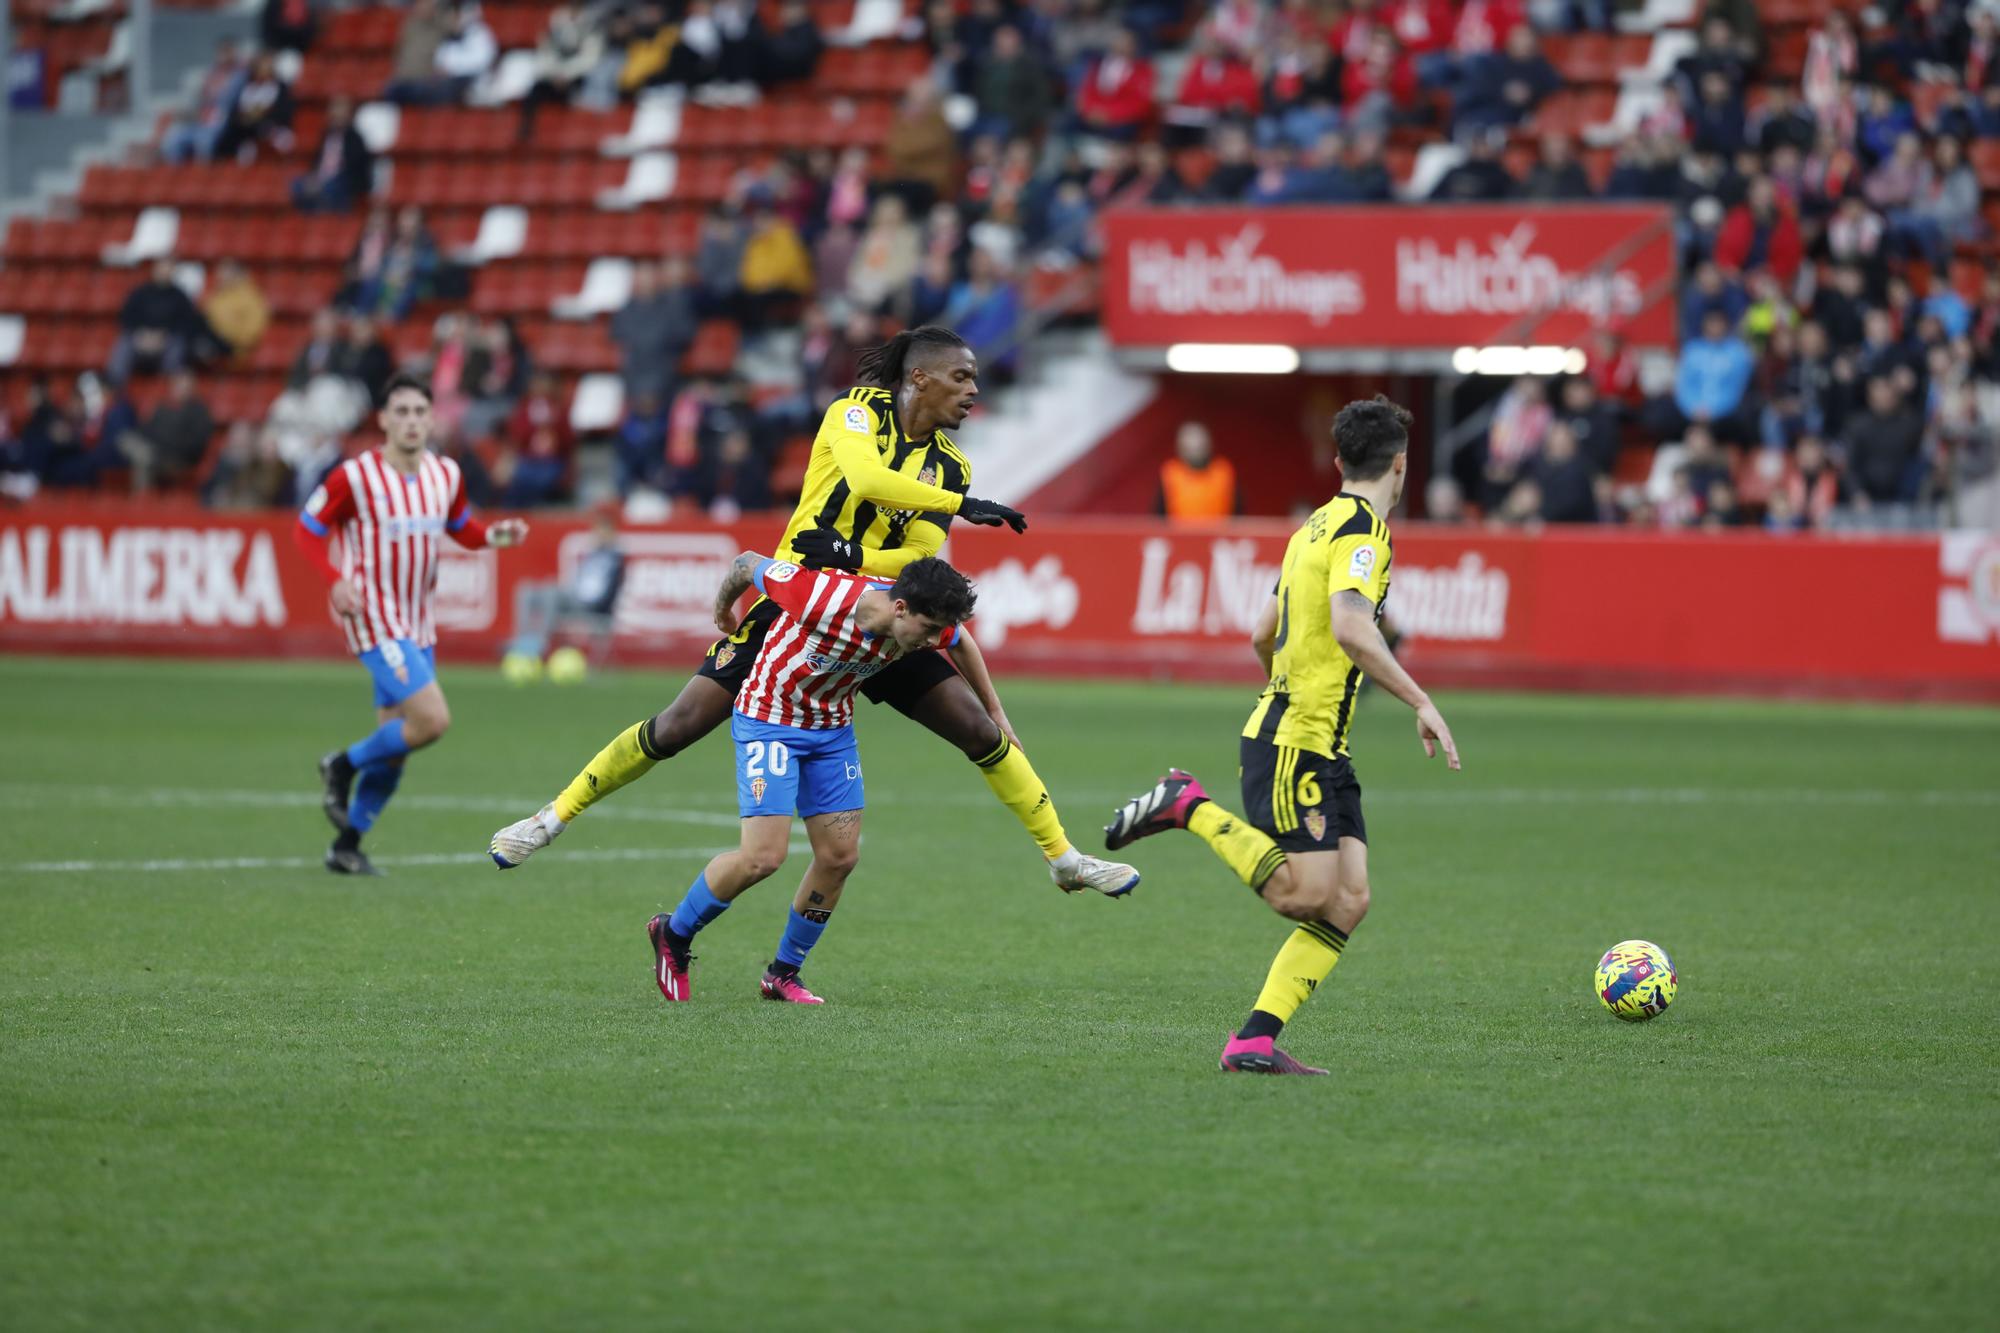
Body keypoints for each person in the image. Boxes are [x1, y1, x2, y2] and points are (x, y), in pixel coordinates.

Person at [489, 325, 1141, 897]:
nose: (974, 391)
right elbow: (865, 481)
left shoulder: (951, 466)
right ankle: (549, 819)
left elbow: (915, 563)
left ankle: (1064, 859)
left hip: (881, 618)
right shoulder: (856, 413)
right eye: (962, 377)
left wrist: (852, 551)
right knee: (678, 724)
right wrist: (956, 506)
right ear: (920, 377)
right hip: (799, 610)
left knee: (979, 730)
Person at [1104, 396, 1459, 1075]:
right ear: (1402, 465)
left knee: (1349, 899)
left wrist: (1286, 688)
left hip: (1313, 739)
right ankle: (1188, 805)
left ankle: (1254, 1039)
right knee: (1300, 893)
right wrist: (1420, 700)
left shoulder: (1311, 527)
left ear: (1338, 461)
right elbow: (1355, 628)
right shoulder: (1364, 533)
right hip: (1298, 740)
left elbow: (1261, 631)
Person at [647, 551, 981, 1005]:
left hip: (831, 732)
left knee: (840, 858)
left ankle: (783, 973)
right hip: (770, 722)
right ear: (899, 608)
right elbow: (747, 563)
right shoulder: (820, 595)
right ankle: (674, 932)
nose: (929, 643)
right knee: (762, 858)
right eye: (925, 632)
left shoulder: (927, 617)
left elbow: (960, 641)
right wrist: (724, 609)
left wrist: (997, 714)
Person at [297, 374, 530, 875]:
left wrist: (495, 536)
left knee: (399, 747)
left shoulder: (445, 474)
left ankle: (346, 845)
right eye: (400, 412)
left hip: (418, 623)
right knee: (432, 720)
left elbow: (461, 529)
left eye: (419, 412)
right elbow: (308, 529)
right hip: (373, 614)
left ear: (432, 418)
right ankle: (341, 764)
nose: (410, 421)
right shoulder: (354, 477)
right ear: (382, 420)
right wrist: (335, 579)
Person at [507, 507, 626, 662]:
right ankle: (522, 640)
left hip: (592, 606)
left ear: (612, 533)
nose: (599, 535)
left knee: (551, 594)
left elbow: (608, 592)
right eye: (597, 530)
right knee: (527, 589)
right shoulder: (590, 556)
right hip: (575, 598)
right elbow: (577, 582)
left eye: (603, 531)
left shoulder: (616, 559)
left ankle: (540, 643)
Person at [1157, 420, 1237, 521]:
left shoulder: (1223, 471)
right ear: (1180, 446)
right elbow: (1159, 518)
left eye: (1199, 443)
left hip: (1218, 535)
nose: (1195, 446)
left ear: (1209, 443)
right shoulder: (1170, 473)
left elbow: (1238, 515)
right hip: (1181, 535)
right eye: (1189, 444)